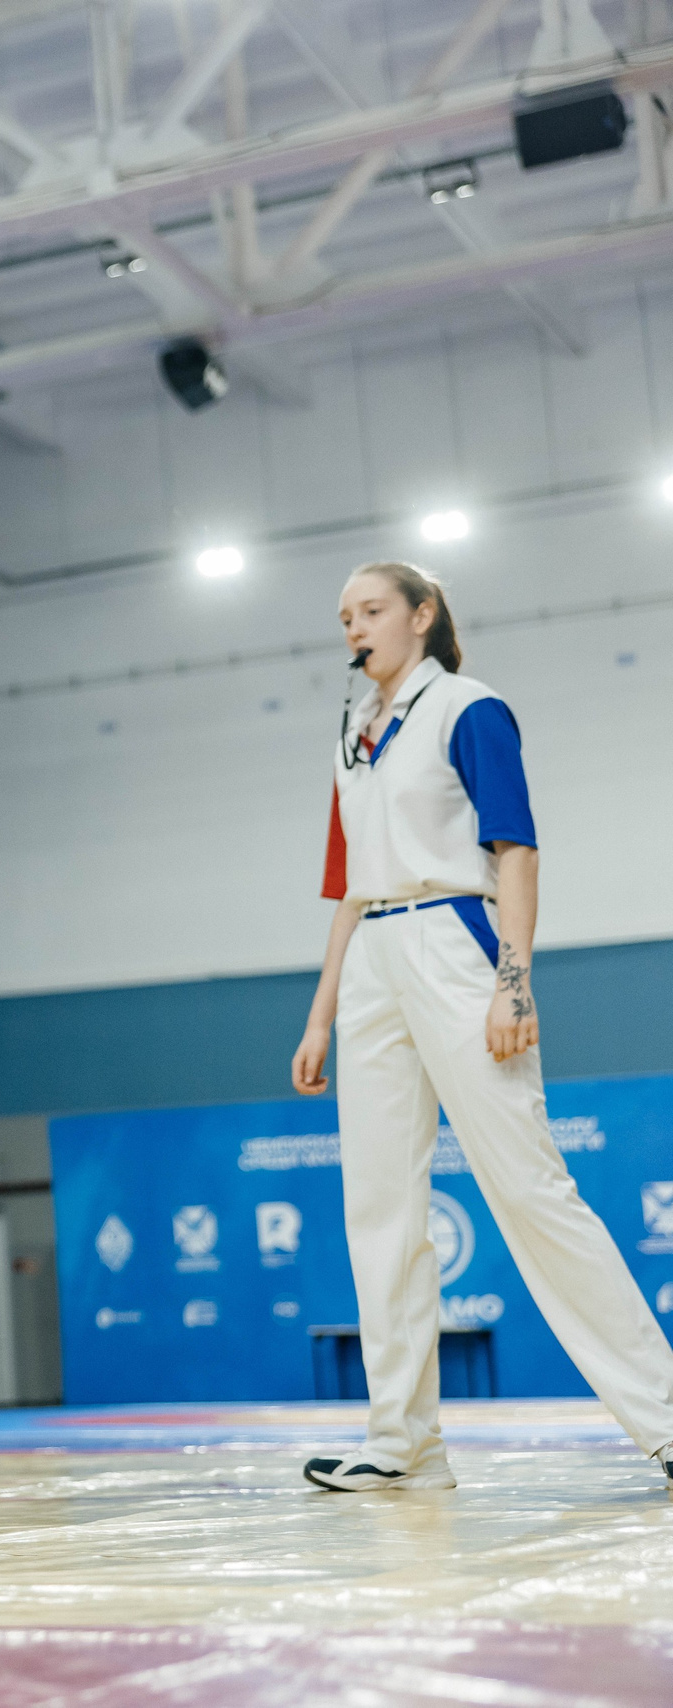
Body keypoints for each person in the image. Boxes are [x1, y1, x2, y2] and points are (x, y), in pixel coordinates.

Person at [290, 561, 673, 1494]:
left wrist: (513, 982)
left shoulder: (470, 708)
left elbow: (517, 849)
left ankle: (665, 1419)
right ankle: (404, 1446)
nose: (354, 627)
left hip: (456, 944)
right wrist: (321, 1013)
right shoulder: (350, 733)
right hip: (374, 961)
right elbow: (346, 890)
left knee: (532, 1191)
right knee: (379, 1206)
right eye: (345, 616)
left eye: (371, 609)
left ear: (422, 617)